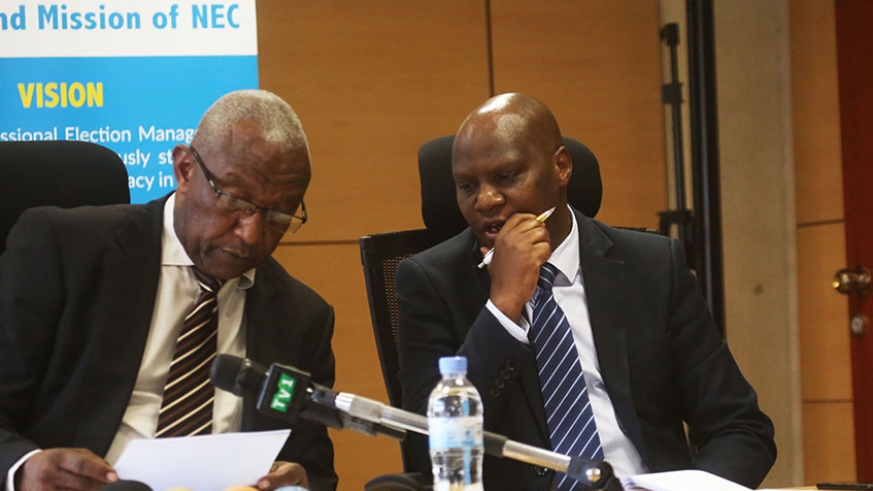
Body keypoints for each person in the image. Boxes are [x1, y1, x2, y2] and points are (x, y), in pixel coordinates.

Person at [396, 93, 776, 490]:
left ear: (561, 167)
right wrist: (503, 306)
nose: (485, 199)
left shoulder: (652, 266)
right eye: (467, 186)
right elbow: (430, 448)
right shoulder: (432, 282)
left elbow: (740, 427)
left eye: (507, 177)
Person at [0, 90, 337, 491]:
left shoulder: (301, 317)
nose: (252, 234)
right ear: (184, 169)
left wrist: (297, 483)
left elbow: (311, 468)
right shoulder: (64, 251)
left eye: (280, 213)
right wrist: (23, 467)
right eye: (235, 199)